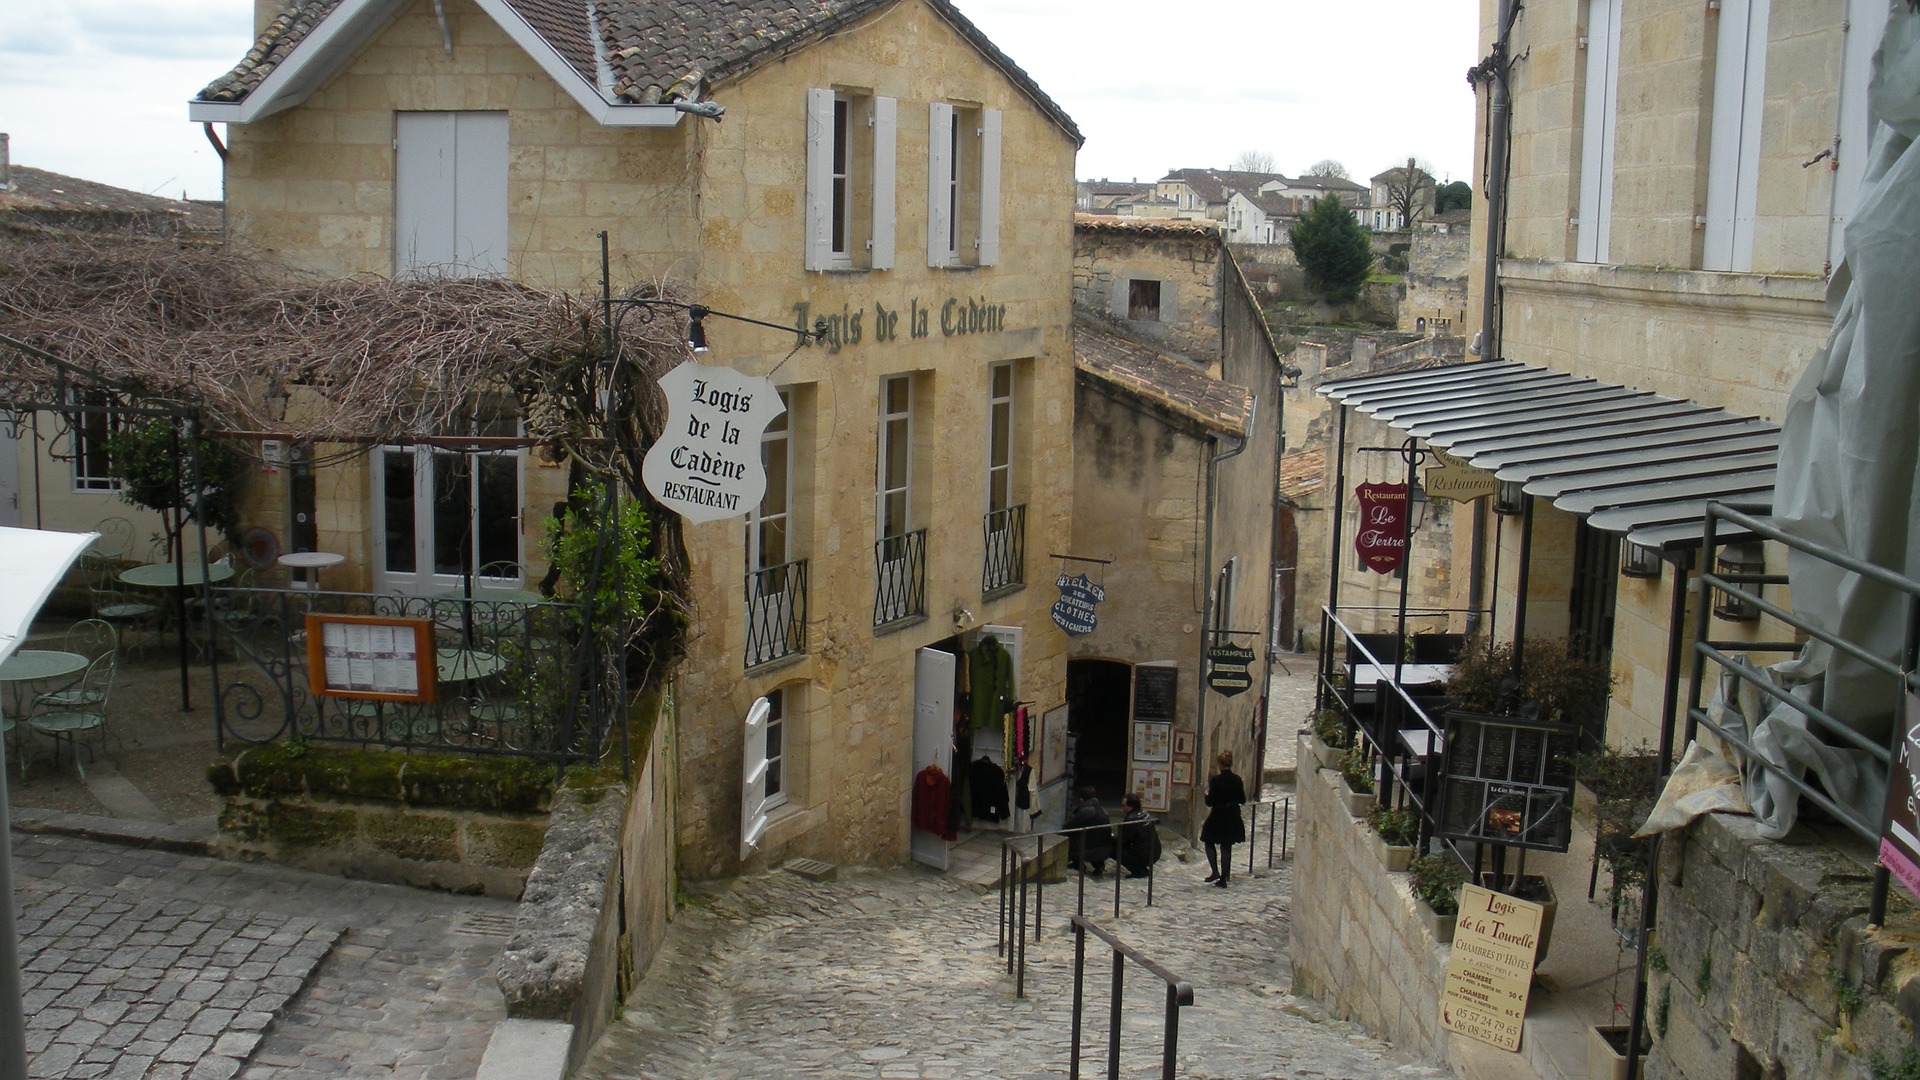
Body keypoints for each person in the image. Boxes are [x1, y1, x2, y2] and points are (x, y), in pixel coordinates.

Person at [1200, 749, 1247, 887]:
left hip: (1218, 815)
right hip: (1232, 815)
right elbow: (1242, 799)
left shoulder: (1216, 781)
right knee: (1227, 846)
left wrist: (1206, 795)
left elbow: (1210, 802)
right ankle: (1224, 878)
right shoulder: (1237, 779)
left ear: (1220, 764)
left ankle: (1215, 871)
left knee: (1208, 840)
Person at [1064, 785, 1116, 876]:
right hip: (1105, 848)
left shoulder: (1085, 811)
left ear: (1081, 799)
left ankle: (1079, 865)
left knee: (1070, 838)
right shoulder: (1101, 809)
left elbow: (1068, 828)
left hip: (1091, 849)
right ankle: (1098, 865)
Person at [1118, 793, 1161, 879]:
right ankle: (1140, 868)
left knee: (1115, 848)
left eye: (1124, 806)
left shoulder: (1131, 820)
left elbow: (1123, 840)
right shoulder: (1145, 814)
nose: (1122, 809)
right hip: (1155, 853)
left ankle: (1138, 871)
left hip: (1144, 854)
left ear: (1131, 807)